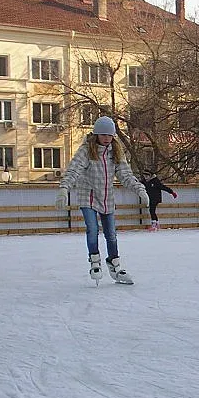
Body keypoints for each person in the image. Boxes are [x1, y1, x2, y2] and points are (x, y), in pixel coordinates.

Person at [56, 116, 149, 284]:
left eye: (110, 135)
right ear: (97, 134)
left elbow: (125, 175)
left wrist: (140, 189)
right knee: (92, 229)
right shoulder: (86, 151)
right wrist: (64, 188)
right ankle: (95, 261)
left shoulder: (116, 152)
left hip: (107, 197)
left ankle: (114, 264)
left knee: (111, 234)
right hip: (88, 195)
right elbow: (74, 170)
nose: (107, 138)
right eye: (103, 135)